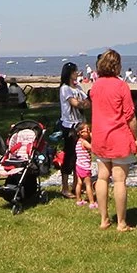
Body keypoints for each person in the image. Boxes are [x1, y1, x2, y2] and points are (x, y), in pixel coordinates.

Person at [89, 48, 137, 232]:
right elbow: (130, 116)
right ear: (116, 66)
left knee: (102, 177)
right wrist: (136, 137)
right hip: (118, 137)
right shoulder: (121, 86)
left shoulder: (96, 86)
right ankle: (121, 222)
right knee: (119, 180)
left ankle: (104, 219)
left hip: (100, 138)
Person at [56, 62, 87, 200]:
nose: (77, 73)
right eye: (75, 71)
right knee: (69, 156)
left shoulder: (78, 87)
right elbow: (76, 103)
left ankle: (76, 185)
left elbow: (87, 102)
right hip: (69, 126)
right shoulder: (65, 89)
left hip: (80, 125)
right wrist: (83, 103)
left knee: (79, 156)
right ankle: (65, 187)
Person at [74, 123, 97, 209]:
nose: (89, 132)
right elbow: (93, 147)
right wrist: (92, 137)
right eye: (87, 130)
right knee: (88, 185)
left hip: (78, 165)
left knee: (79, 183)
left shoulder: (78, 141)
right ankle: (92, 202)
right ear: (80, 133)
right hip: (85, 167)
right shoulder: (84, 142)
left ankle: (79, 200)